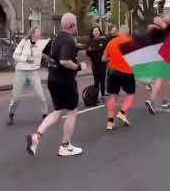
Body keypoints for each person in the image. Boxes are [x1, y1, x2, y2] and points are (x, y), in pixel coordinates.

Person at [26, 12, 88, 157]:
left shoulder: (55, 38)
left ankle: (36, 137)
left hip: (52, 79)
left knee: (57, 111)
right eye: (76, 24)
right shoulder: (68, 40)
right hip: (65, 82)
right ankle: (65, 146)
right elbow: (64, 60)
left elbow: (48, 52)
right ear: (72, 25)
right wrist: (79, 66)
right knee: (72, 112)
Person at [7, 26, 50, 125]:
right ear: (32, 33)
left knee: (41, 95)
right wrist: (26, 59)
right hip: (21, 71)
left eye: (40, 31)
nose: (39, 33)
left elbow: (52, 45)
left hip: (33, 72)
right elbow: (15, 55)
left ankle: (44, 115)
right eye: (38, 31)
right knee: (16, 97)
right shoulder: (24, 42)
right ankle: (11, 114)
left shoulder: (42, 43)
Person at [102, 25, 136, 131]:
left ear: (119, 32)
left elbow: (103, 59)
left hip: (113, 72)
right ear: (128, 32)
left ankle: (110, 122)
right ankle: (122, 113)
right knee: (130, 94)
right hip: (127, 73)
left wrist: (112, 58)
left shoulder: (111, 43)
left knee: (113, 96)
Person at [86, 26, 108, 103]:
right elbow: (88, 52)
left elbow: (106, 50)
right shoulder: (90, 41)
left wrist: (95, 50)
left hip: (102, 63)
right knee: (96, 81)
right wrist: (90, 50)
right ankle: (95, 96)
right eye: (94, 31)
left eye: (97, 30)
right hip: (95, 64)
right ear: (92, 33)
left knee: (102, 80)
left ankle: (102, 96)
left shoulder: (104, 40)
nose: (96, 32)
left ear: (99, 32)